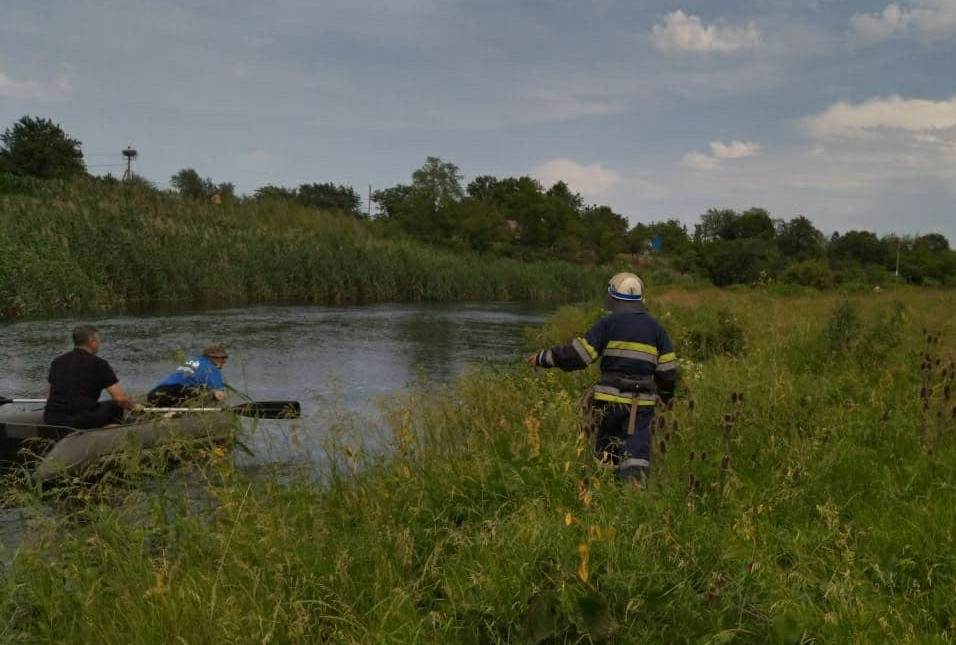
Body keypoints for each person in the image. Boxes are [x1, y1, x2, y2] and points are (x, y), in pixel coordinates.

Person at [527, 273, 677, 482]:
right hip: (641, 407)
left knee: (606, 458)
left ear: (614, 297)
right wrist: (667, 397)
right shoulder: (657, 329)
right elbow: (667, 371)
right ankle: (631, 499)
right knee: (636, 459)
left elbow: (577, 356)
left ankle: (604, 498)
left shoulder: (607, 324)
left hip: (609, 405)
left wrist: (543, 358)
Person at [44, 324, 139, 429]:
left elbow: (50, 395)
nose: (99, 343)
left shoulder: (57, 362)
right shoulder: (99, 364)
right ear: (92, 341)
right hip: (81, 419)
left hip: (51, 418)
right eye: (98, 340)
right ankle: (110, 434)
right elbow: (120, 399)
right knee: (115, 406)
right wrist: (136, 407)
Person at [146, 343, 228, 407]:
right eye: (222, 358)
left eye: (225, 358)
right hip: (175, 394)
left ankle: (169, 413)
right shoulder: (211, 368)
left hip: (154, 394)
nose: (224, 361)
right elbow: (220, 395)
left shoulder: (192, 360)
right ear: (212, 357)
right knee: (211, 395)